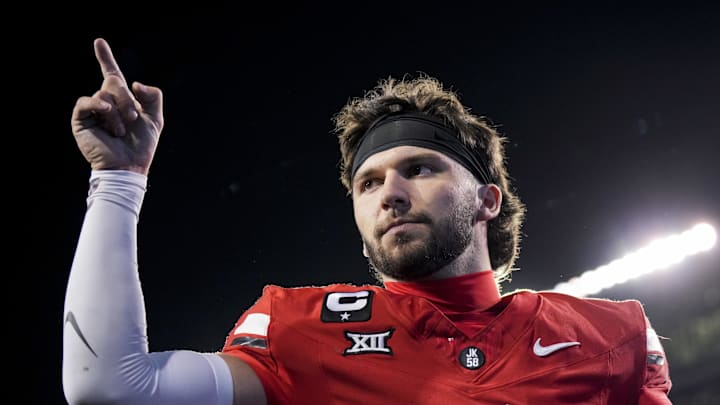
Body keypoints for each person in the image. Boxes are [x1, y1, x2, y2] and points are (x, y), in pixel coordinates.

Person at [62, 37, 673, 405]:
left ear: (488, 200)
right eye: (369, 182)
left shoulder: (609, 336)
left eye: (421, 168)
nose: (391, 194)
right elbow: (111, 387)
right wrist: (119, 181)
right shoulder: (301, 331)